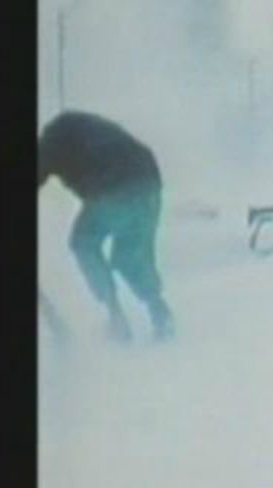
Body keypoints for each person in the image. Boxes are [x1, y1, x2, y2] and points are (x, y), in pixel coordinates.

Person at [38, 110, 174, 342]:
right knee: (130, 256)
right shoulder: (80, 125)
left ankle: (115, 315)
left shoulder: (52, 140)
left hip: (113, 188)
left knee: (83, 243)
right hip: (148, 184)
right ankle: (160, 312)